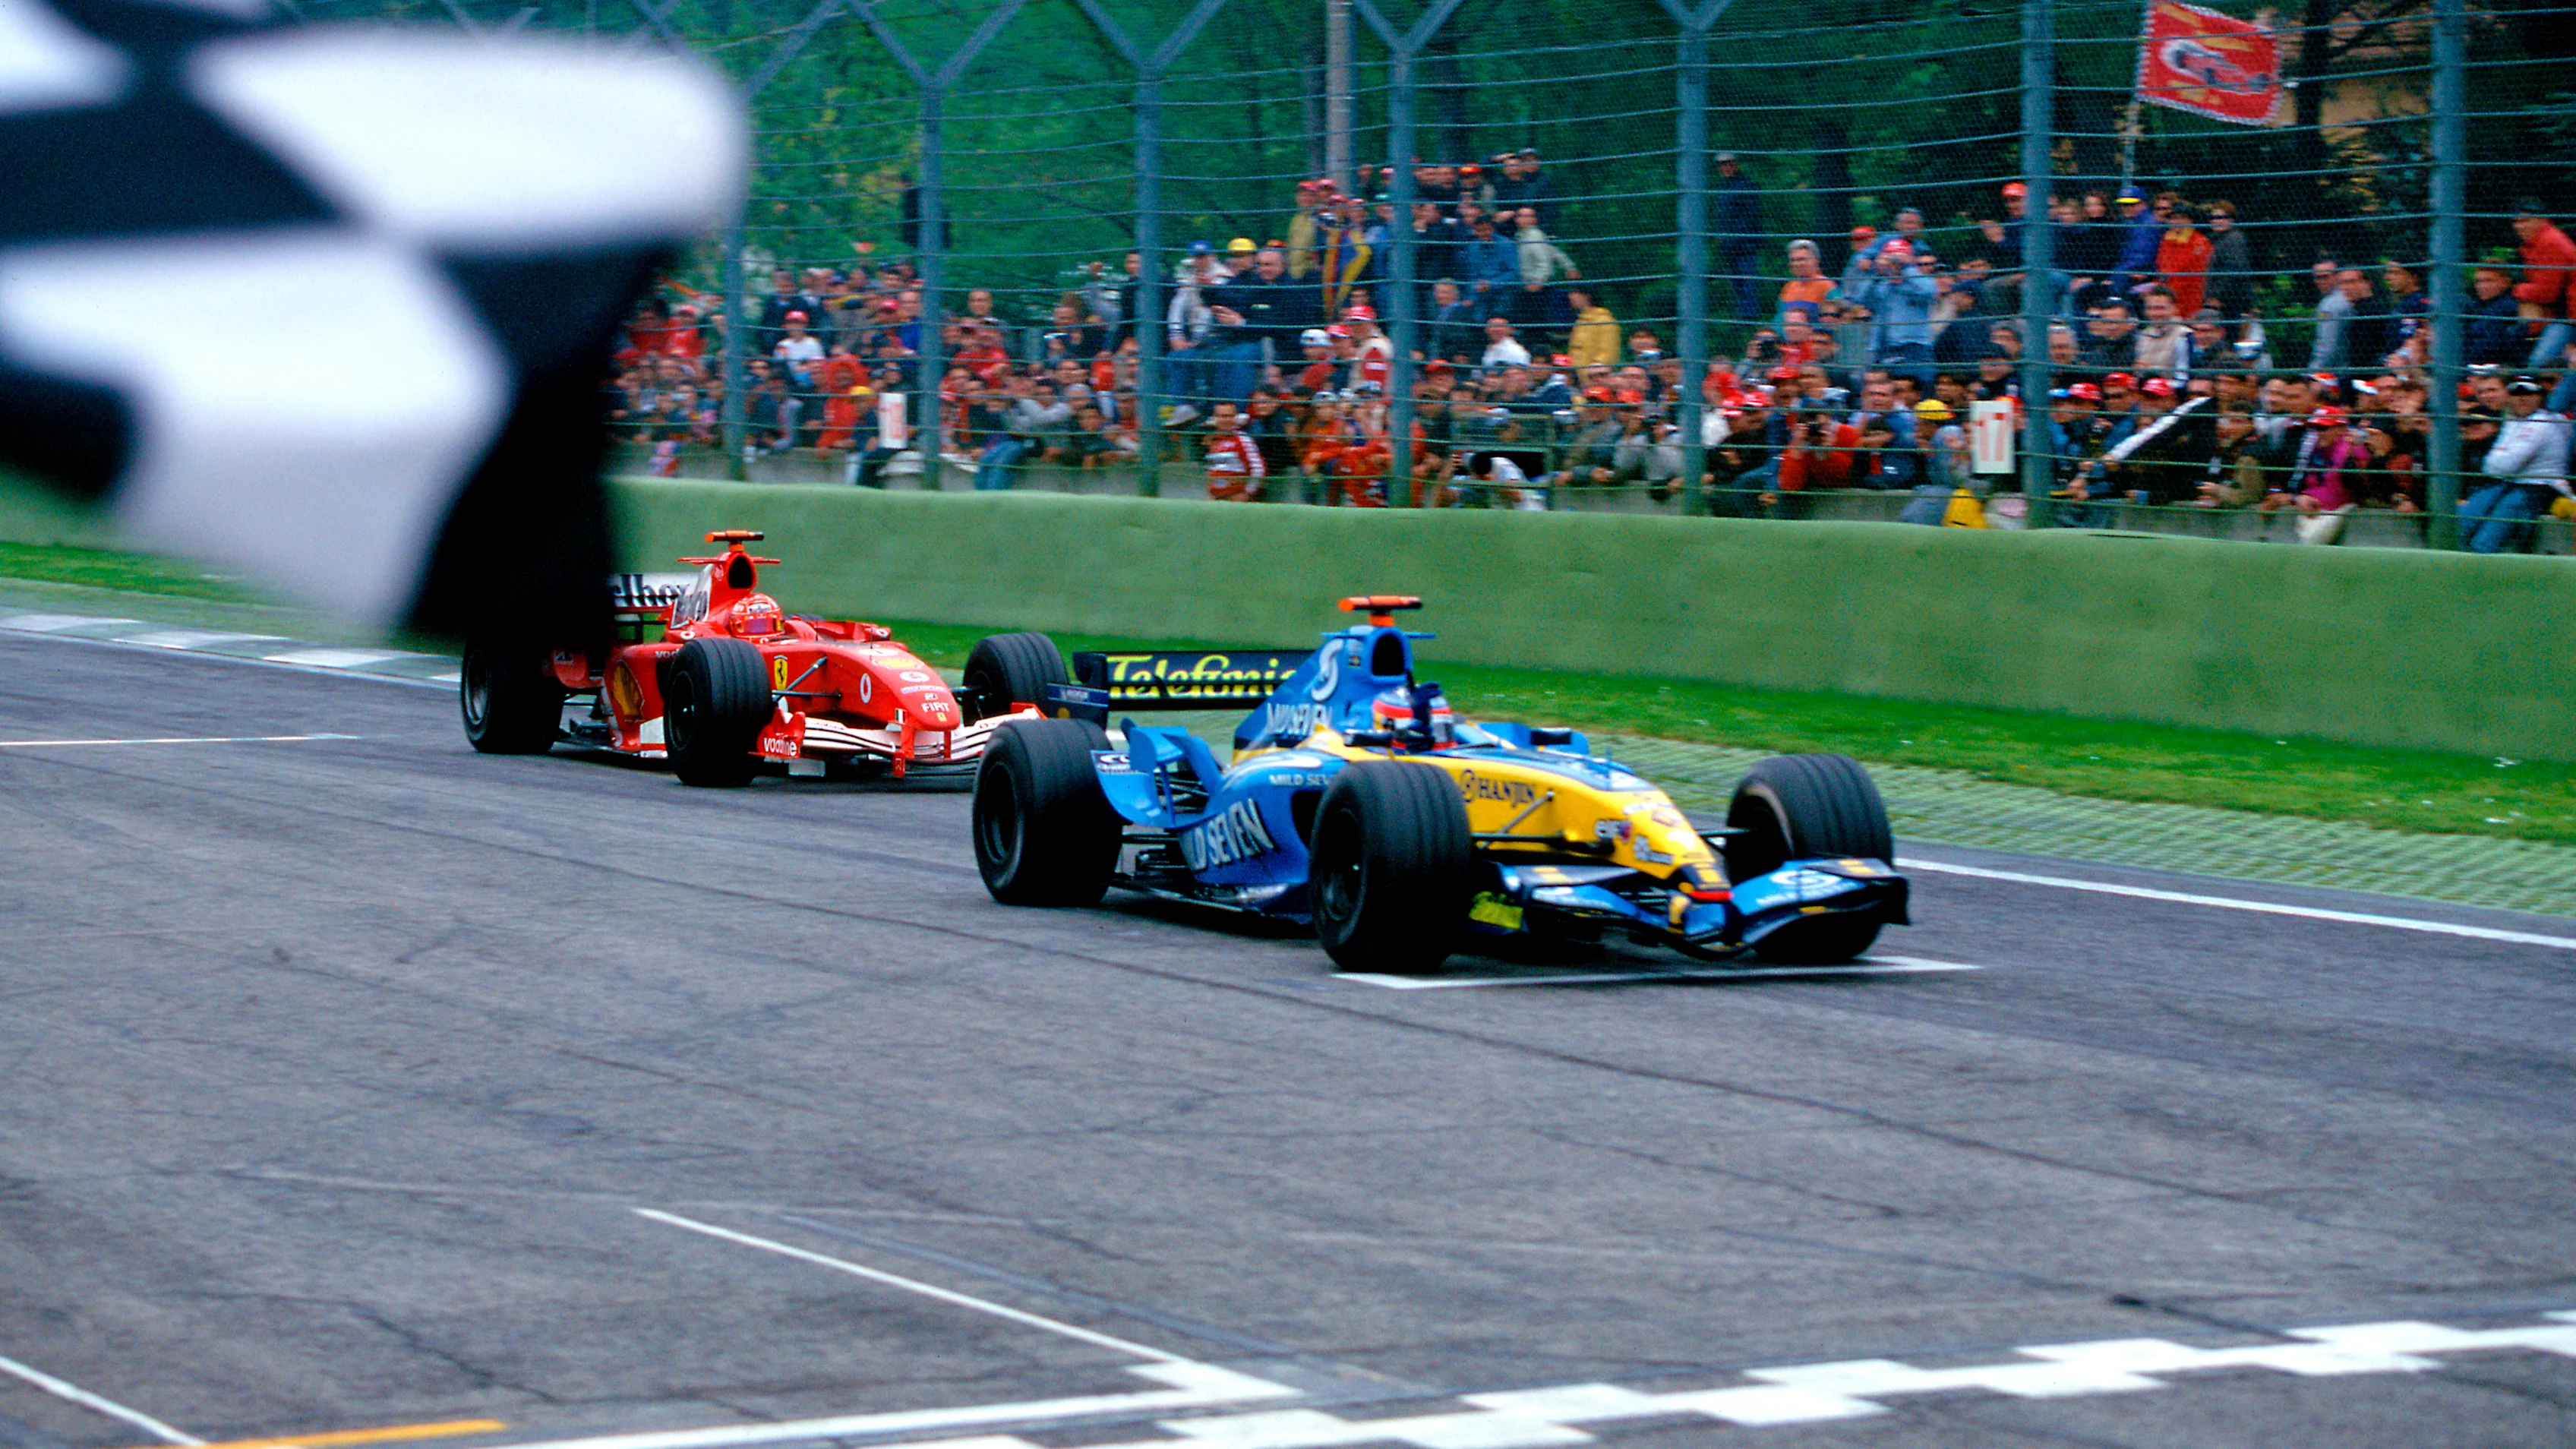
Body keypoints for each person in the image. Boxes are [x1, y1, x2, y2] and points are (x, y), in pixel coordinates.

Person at [2458, 375, 2570, 553]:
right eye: (2517, 394)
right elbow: (2490, 466)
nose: (2522, 398)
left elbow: (2506, 465)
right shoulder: (2514, 419)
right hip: (2511, 483)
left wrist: (2500, 459)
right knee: (2464, 523)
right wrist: (2501, 461)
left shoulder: (2543, 422)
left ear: (2539, 397)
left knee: (2484, 542)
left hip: (2540, 488)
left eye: (2529, 394)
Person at [2512, 200, 2576, 371]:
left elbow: (2547, 292)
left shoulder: (2551, 242)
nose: (2519, 226)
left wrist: (2517, 290)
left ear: (2542, 220)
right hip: (2561, 314)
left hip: (2568, 317)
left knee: (2538, 364)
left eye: (2525, 221)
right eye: (2516, 221)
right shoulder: (2535, 244)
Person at [1712, 150, 1763, 320]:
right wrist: (1721, 237)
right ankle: (1741, 320)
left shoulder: (1747, 186)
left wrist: (1732, 237)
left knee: (1748, 287)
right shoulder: (1721, 188)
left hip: (1746, 247)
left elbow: (1750, 217)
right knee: (1736, 288)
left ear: (1736, 164)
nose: (1725, 167)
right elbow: (1721, 218)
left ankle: (1749, 320)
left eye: (1728, 163)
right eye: (1722, 164)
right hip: (1729, 248)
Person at [1201, 399, 1266, 500]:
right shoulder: (1212, 441)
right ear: (1215, 418)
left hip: (1235, 498)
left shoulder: (1242, 440)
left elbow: (1259, 469)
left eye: (1230, 416)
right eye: (1221, 416)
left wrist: (1248, 493)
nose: (1226, 420)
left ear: (1236, 418)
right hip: (1217, 499)